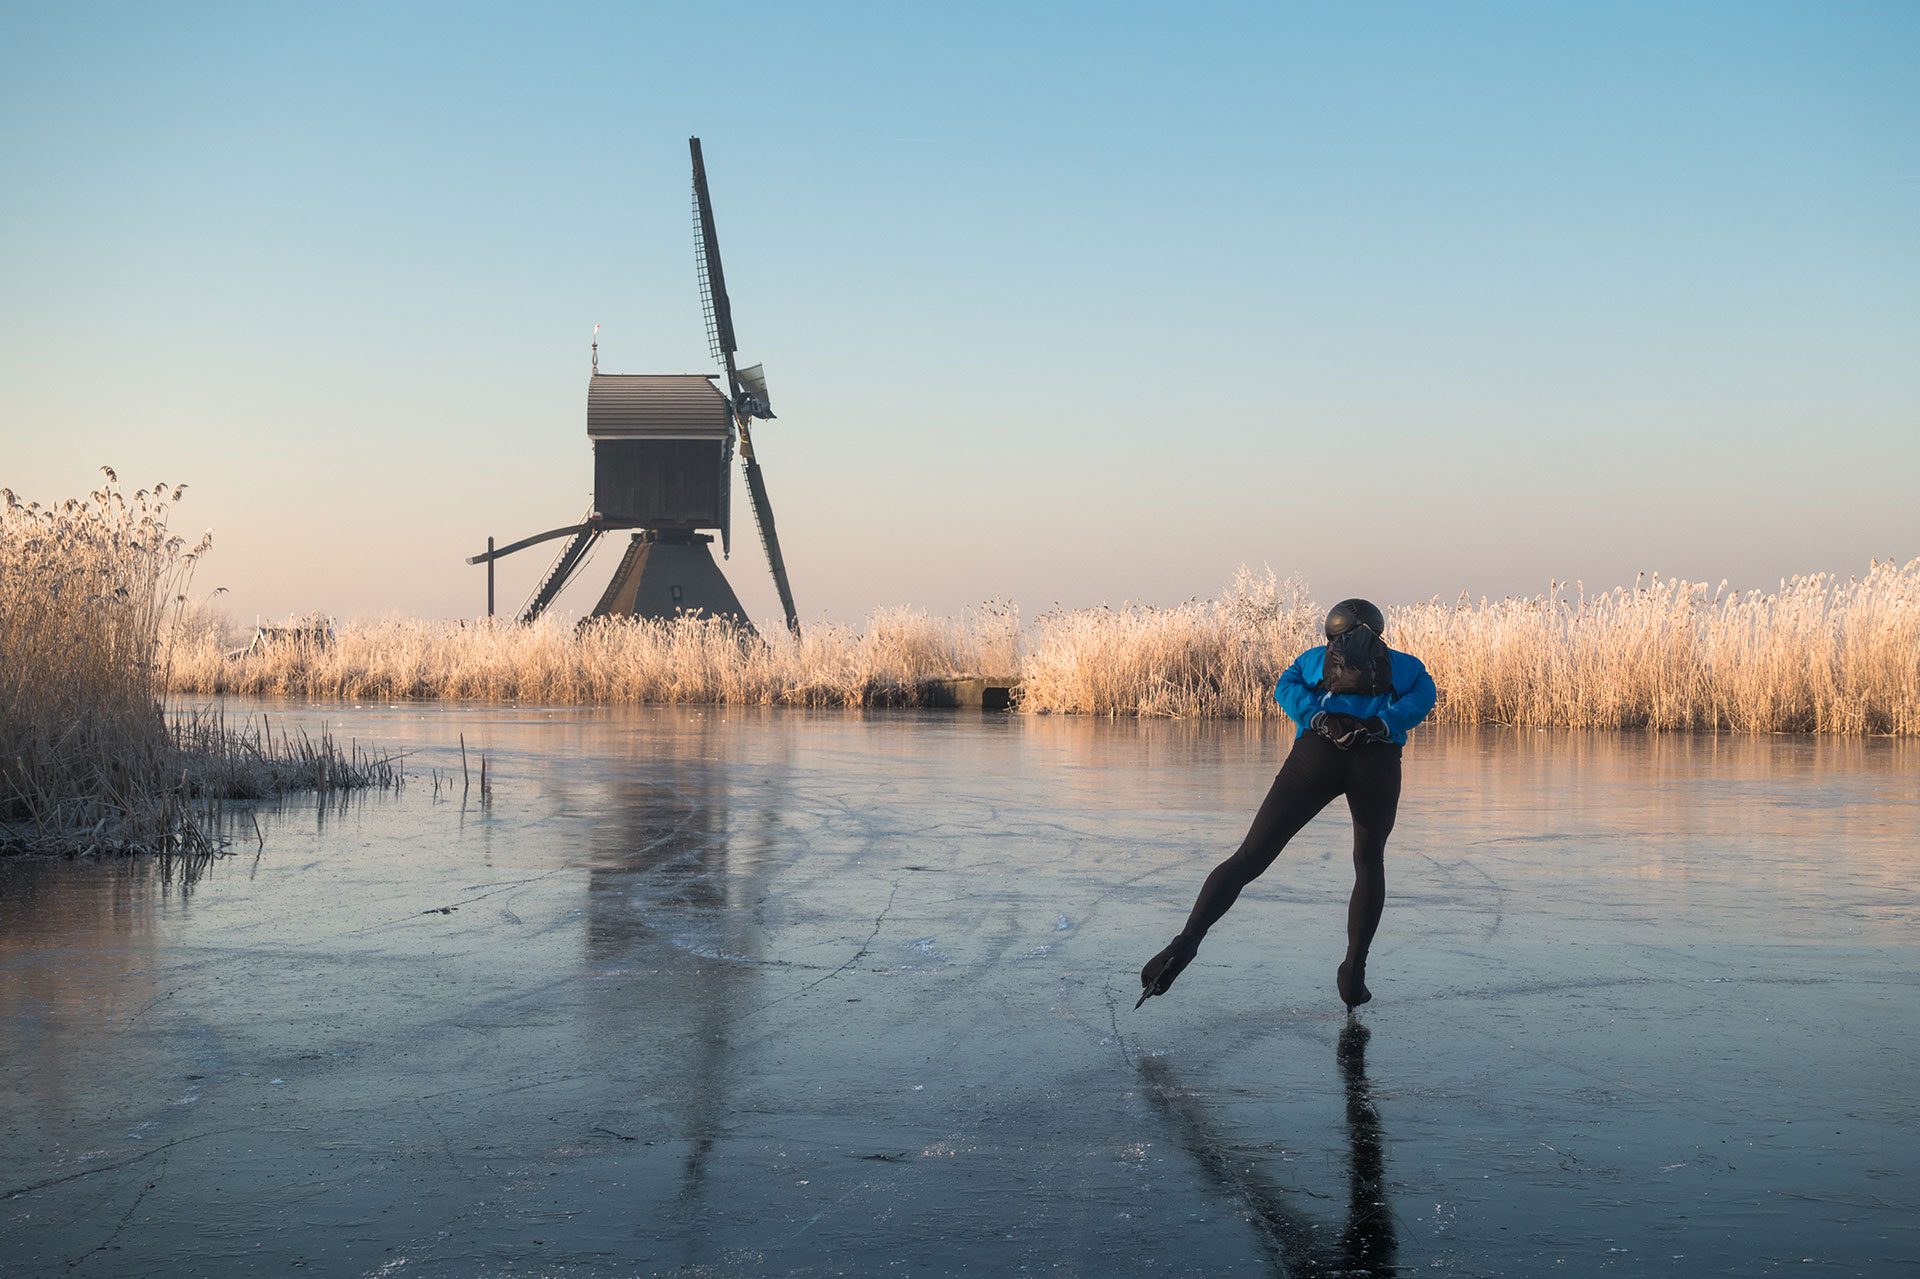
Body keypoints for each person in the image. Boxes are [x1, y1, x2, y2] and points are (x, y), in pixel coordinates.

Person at [1138, 598, 1437, 1013]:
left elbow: (1285, 689)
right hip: (1377, 760)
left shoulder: (1314, 660)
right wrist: (1380, 723)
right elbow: (1423, 698)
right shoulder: (1407, 666)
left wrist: (1319, 719)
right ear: (1378, 629)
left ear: (1332, 632)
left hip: (1316, 756)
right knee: (1369, 863)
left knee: (1249, 857)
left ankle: (1182, 946)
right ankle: (1354, 972)